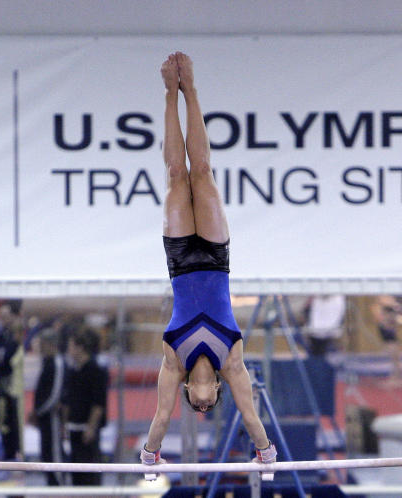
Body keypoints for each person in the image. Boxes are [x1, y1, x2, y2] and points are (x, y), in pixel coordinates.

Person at [140, 52, 277, 470]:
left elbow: (161, 416)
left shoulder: (173, 360)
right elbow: (251, 416)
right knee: (202, 171)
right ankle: (192, 90)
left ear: (189, 390)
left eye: (196, 407)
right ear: (217, 389)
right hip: (216, 259)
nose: (202, 407)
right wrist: (265, 454)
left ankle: (171, 93)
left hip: (180, 260)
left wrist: (149, 456)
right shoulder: (232, 361)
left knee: (176, 176)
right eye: (209, 405)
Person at [62, 328, 108, 486]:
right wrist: (64, 424)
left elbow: (98, 403)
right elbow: (68, 400)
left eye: (70, 346)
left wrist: (91, 427)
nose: (68, 350)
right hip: (74, 426)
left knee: (90, 473)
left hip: (87, 429)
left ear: (80, 347)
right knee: (76, 474)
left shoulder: (96, 370)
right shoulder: (72, 370)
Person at [29, 328, 66, 486]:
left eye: (42, 344)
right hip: (44, 415)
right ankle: (51, 486)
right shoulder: (48, 361)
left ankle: (59, 487)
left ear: (51, 344)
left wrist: (38, 411)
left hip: (52, 416)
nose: (40, 348)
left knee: (54, 453)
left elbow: (55, 393)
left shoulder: (57, 362)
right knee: (46, 453)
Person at [0, 318, 25, 461]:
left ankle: (15, 452)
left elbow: (4, 356)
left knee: (13, 424)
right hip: (3, 389)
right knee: (3, 423)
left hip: (12, 392)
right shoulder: (4, 340)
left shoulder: (15, 347)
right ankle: (9, 453)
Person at [372, 296, 402, 388]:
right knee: (394, 359)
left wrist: (384, 321)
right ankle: (395, 378)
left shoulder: (389, 308)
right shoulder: (385, 309)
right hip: (388, 337)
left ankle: (396, 380)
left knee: (395, 359)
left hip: (391, 338)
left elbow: (390, 322)